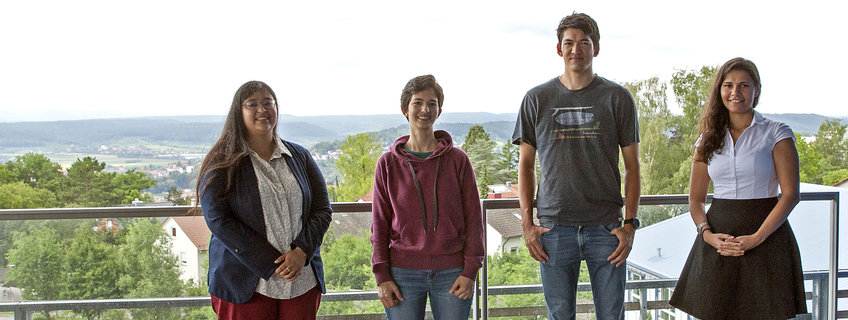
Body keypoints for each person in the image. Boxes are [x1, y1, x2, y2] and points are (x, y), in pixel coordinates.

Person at [511, 12, 641, 320]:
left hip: (606, 229)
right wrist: (527, 225)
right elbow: (526, 166)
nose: (576, 49)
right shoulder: (536, 99)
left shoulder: (617, 98)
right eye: (569, 43)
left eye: (584, 42)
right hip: (554, 228)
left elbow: (633, 168)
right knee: (561, 315)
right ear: (559, 49)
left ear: (596, 48)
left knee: (612, 315)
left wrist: (630, 225)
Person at [669, 58, 807, 319]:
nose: (735, 92)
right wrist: (707, 235)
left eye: (744, 85)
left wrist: (756, 238)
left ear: (756, 90)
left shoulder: (777, 133)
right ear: (720, 90)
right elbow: (696, 200)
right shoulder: (707, 139)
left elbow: (790, 195)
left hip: (767, 239)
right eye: (728, 85)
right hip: (718, 243)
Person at [196, 80, 333, 320]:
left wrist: (301, 252)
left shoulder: (299, 156)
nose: (262, 109)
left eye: (268, 102)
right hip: (245, 283)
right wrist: (272, 263)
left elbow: (322, 210)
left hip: (301, 280)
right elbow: (218, 219)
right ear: (239, 113)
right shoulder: (222, 162)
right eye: (252, 104)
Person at [370, 74, 485, 320]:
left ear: (439, 110)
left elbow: (474, 218)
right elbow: (379, 224)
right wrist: (382, 276)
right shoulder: (388, 163)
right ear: (405, 110)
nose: (425, 109)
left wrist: (470, 271)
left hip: (453, 272)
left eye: (432, 103)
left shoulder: (457, 160)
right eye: (418, 103)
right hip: (401, 273)